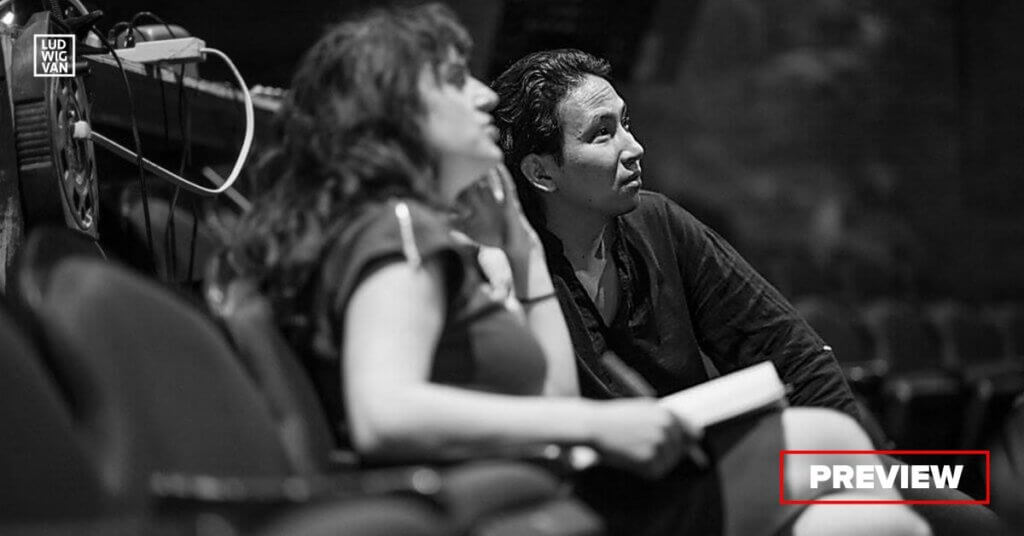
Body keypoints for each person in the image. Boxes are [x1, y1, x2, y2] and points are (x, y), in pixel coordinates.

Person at [224, 5, 928, 536]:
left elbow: (550, 394)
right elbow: (385, 414)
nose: (483, 95)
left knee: (873, 514)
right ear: (397, 118)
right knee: (840, 456)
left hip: (550, 494)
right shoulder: (399, 229)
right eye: (453, 80)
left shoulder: (450, 237)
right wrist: (599, 427)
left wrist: (523, 252)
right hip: (524, 508)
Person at [490, 48, 1001, 535]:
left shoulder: (658, 221)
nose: (633, 147)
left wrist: (867, 471)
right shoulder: (510, 267)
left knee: (914, 516)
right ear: (542, 172)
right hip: (623, 503)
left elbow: (790, 353)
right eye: (602, 134)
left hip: (704, 470)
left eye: (626, 123)